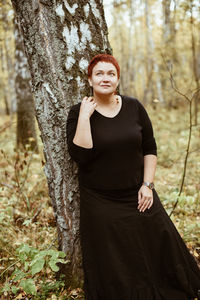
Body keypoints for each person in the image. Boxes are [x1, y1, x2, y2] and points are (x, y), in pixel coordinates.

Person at [66, 54, 200, 300]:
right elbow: (81, 157)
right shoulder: (78, 112)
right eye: (99, 74)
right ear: (90, 79)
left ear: (117, 79)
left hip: (137, 191)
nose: (105, 78)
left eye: (111, 74)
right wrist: (85, 116)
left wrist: (147, 185)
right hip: (100, 199)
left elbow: (150, 147)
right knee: (116, 257)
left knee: (162, 236)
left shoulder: (134, 107)